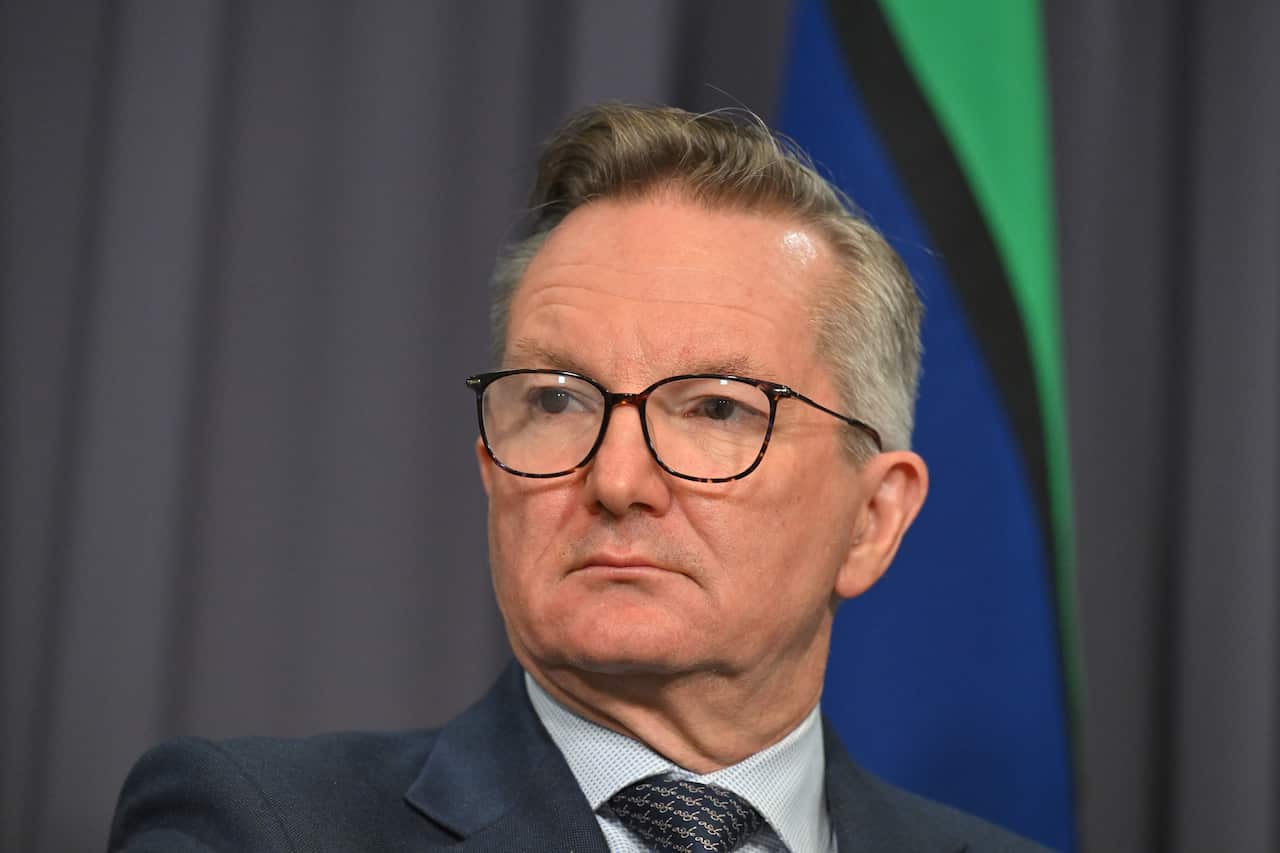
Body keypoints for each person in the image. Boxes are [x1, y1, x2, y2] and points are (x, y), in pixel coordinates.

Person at [108, 104, 1050, 853]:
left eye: (716, 408)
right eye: (558, 401)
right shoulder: (251, 828)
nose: (617, 478)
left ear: (873, 519)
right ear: (492, 470)